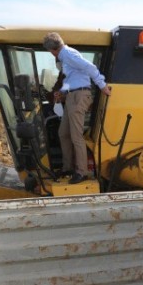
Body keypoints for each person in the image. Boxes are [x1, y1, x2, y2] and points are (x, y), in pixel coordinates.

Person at [43, 32, 112, 184]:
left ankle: (82, 172)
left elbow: (90, 67)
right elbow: (72, 79)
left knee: (76, 136)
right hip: (72, 96)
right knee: (63, 133)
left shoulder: (67, 54)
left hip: (79, 97)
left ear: (52, 50)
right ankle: (68, 167)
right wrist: (61, 92)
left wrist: (102, 85)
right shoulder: (66, 56)